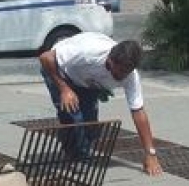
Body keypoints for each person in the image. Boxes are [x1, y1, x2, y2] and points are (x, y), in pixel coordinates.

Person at [38, 32, 163, 177]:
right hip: (58, 71)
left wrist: (150, 153)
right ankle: (76, 157)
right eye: (118, 71)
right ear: (109, 60)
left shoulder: (130, 77)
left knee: (90, 127)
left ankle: (73, 143)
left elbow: (138, 111)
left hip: (87, 82)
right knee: (74, 118)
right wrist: (64, 89)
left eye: (125, 73)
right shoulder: (88, 53)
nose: (120, 77)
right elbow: (45, 57)